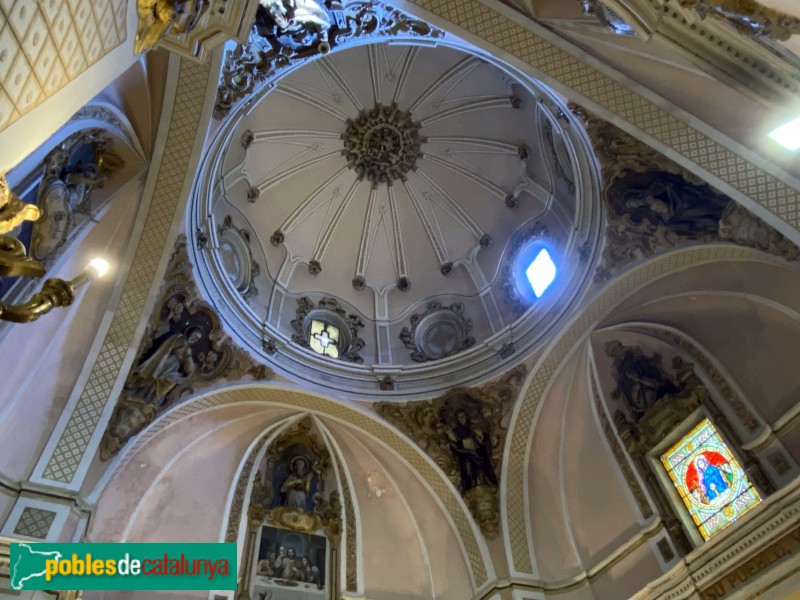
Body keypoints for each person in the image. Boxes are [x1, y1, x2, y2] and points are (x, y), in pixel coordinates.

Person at [444, 409, 497, 491]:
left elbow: (483, 441)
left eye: (463, 416)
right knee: (467, 460)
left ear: (466, 416)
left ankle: (484, 481)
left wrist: (480, 436)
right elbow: (456, 443)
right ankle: (472, 485)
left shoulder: (473, 427)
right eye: (459, 417)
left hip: (478, 452)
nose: (461, 419)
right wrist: (449, 433)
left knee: (481, 458)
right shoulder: (456, 431)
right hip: (465, 455)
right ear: (457, 420)